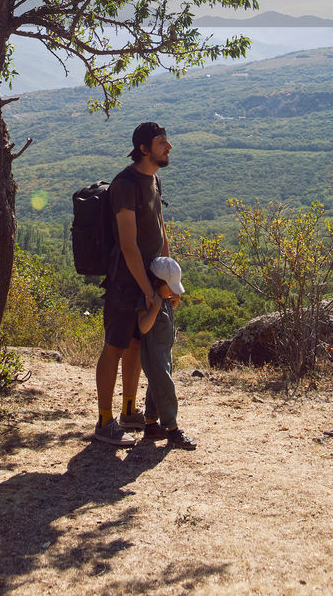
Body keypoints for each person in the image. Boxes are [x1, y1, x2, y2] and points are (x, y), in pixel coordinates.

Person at [93, 121, 171, 446]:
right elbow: (128, 246)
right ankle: (104, 421)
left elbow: (161, 229)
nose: (168, 147)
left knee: (137, 345)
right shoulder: (125, 185)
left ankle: (128, 411)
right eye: (161, 143)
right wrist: (147, 289)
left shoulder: (154, 180)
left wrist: (169, 278)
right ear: (144, 149)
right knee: (115, 345)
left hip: (149, 279)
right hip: (126, 282)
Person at [137, 255, 197, 449]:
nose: (172, 291)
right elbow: (144, 327)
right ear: (156, 281)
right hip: (153, 352)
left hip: (163, 350)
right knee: (165, 387)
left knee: (157, 385)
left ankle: (151, 425)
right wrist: (155, 307)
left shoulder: (163, 297)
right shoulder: (148, 298)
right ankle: (172, 429)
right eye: (169, 287)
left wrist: (170, 301)